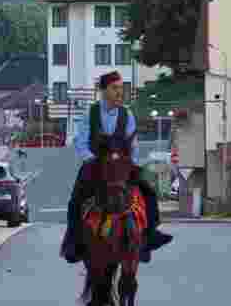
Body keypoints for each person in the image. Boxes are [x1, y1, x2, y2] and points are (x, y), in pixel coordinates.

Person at [61, 71, 172, 263]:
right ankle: (73, 241)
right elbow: (81, 142)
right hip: (95, 164)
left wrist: (131, 163)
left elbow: (133, 143)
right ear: (103, 91)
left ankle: (149, 235)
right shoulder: (91, 113)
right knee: (75, 199)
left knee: (149, 192)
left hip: (123, 165)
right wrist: (90, 159)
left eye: (121, 88)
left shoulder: (127, 114)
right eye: (114, 88)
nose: (119, 92)